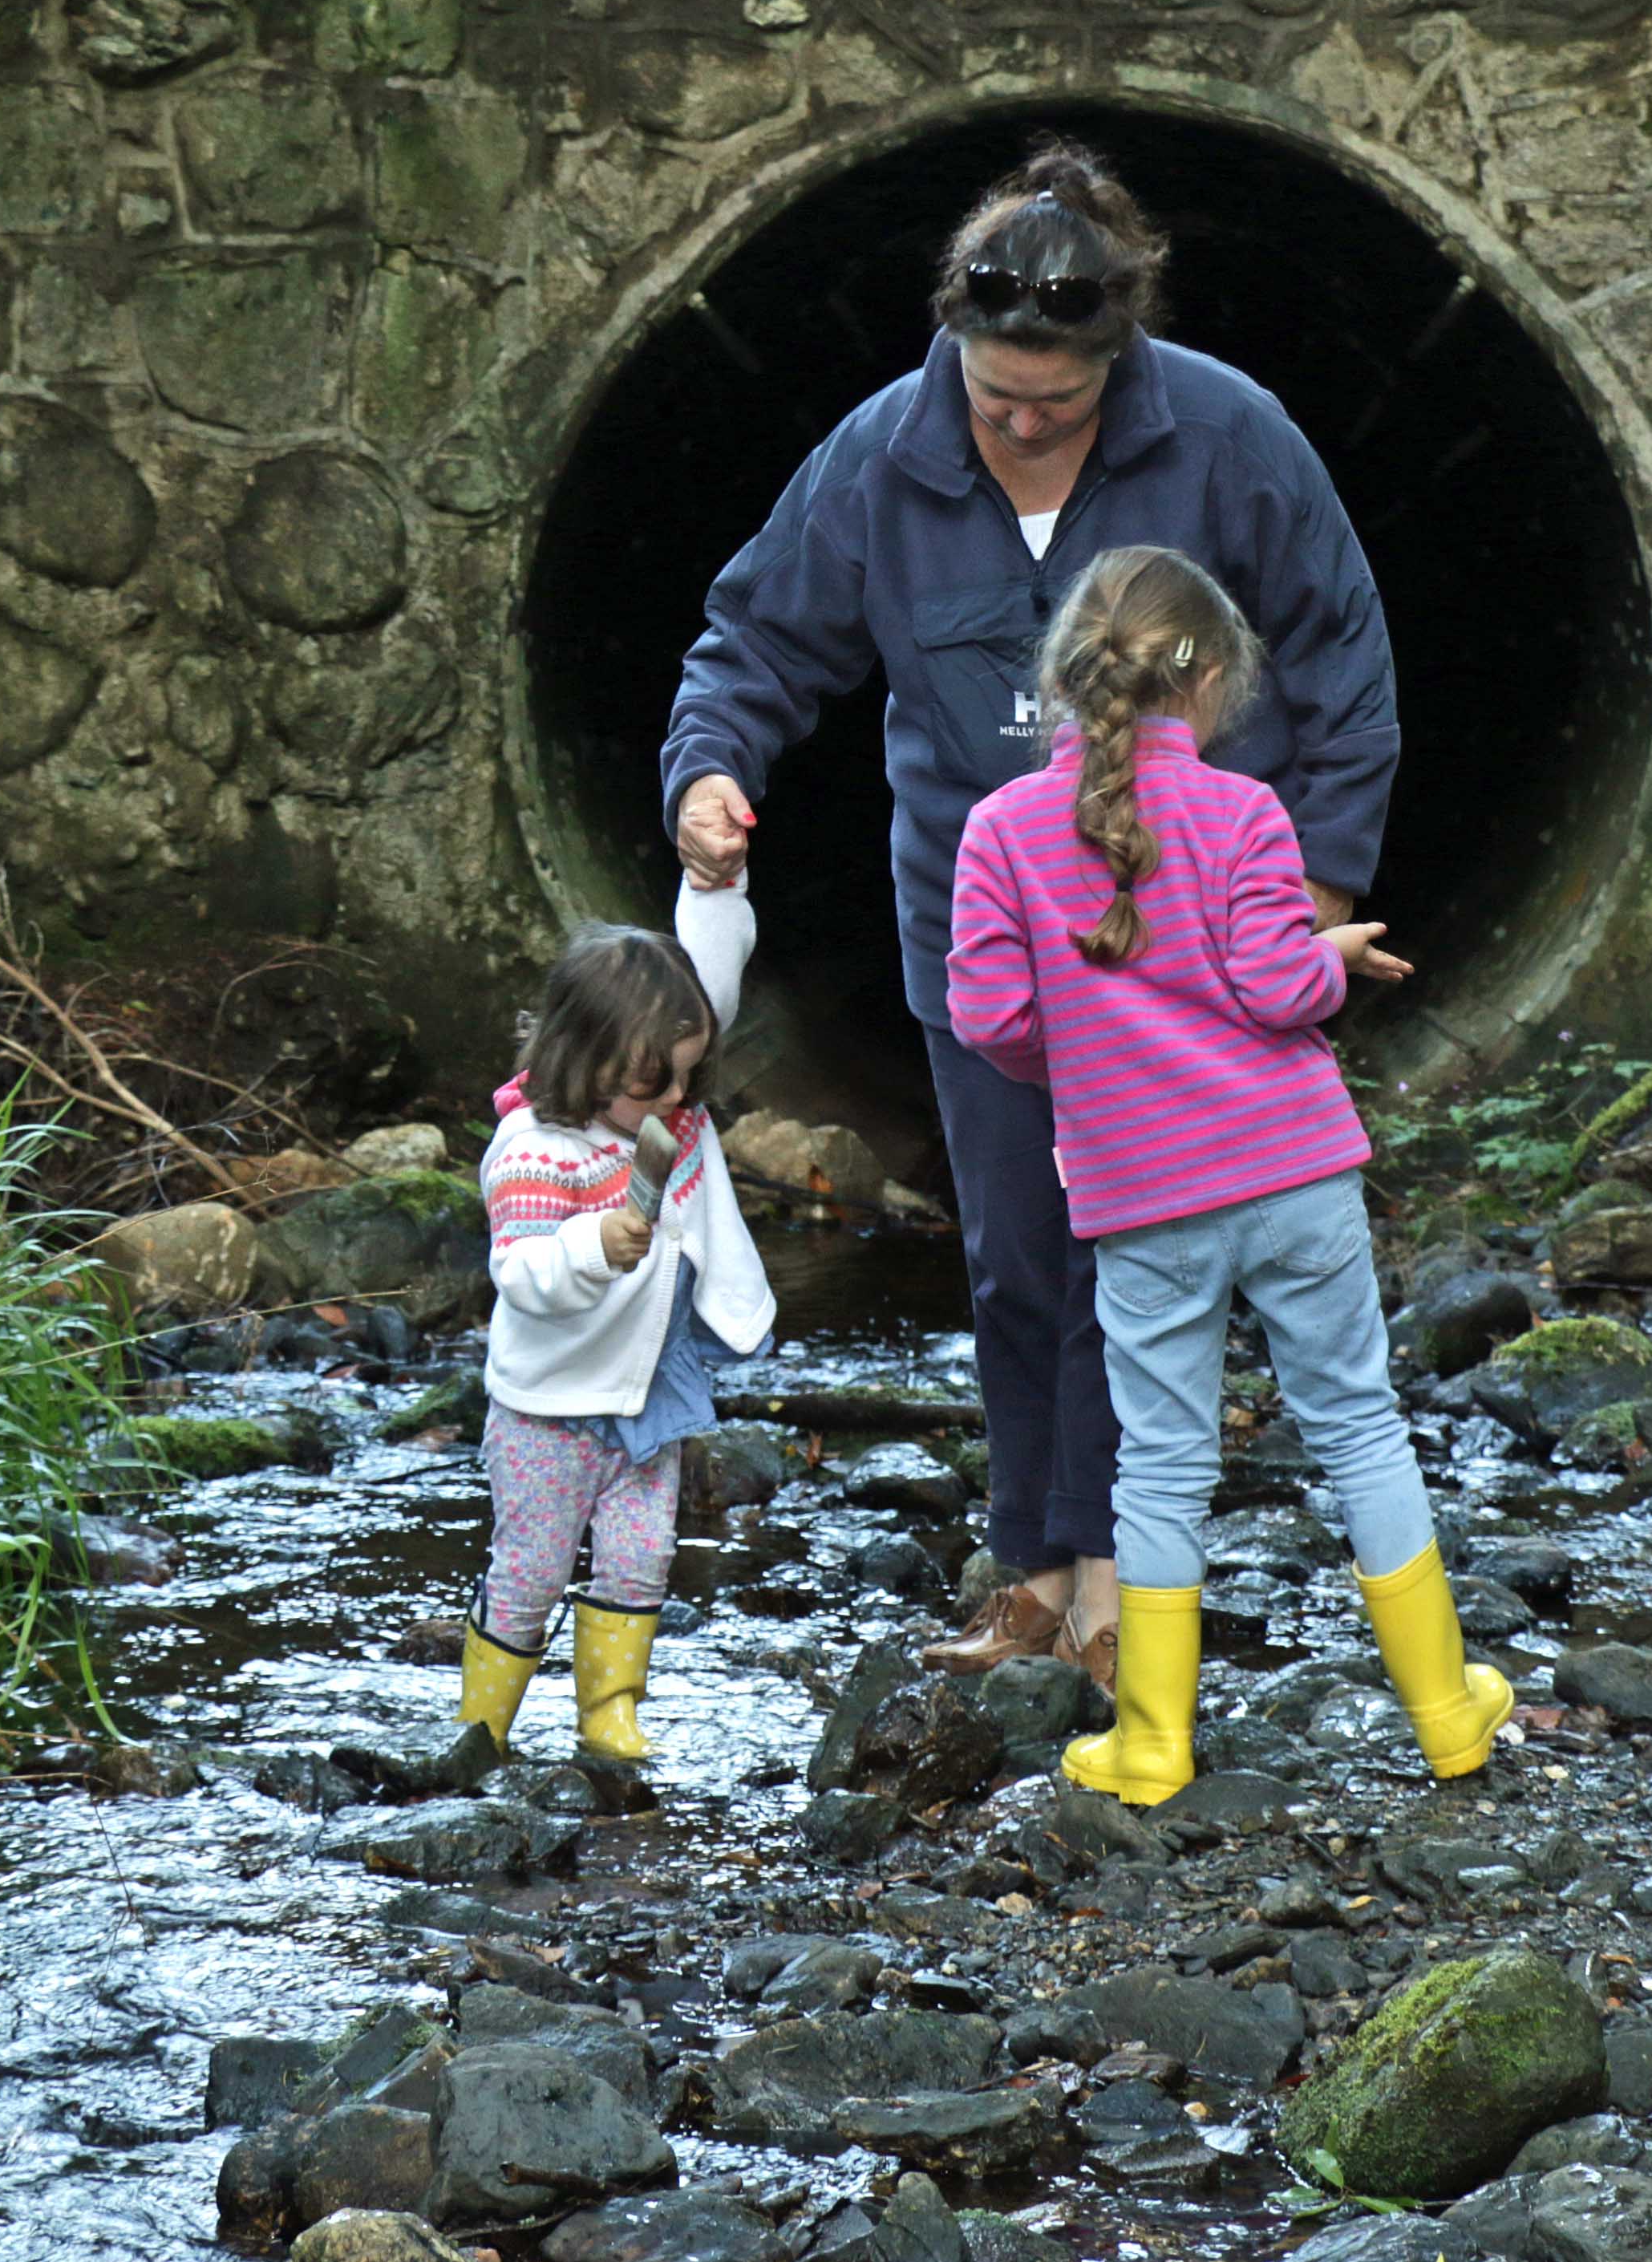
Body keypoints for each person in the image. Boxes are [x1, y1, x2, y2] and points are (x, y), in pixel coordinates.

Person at [662, 140, 1396, 1688]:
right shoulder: (880, 454)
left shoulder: (1227, 437)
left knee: (1148, 1258)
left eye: (1054, 403)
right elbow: (753, 634)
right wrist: (708, 773)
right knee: (1016, 1257)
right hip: (984, 931)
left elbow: (1340, 650)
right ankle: (1035, 1570)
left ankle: (1130, 1576)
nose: (1019, 422)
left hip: (1189, 949)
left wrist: (1313, 885)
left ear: (1113, 356)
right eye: (994, 396)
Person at [941, 547, 1504, 1805]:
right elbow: (1274, 986)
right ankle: (1449, 1714)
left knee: (1160, 1461)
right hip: (1294, 1168)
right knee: (1358, 1425)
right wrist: (1330, 955)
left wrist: (1083, 1060)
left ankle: (1150, 1741)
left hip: (1142, 1193)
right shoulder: (1247, 813)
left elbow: (986, 1019)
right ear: (1206, 682)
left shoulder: (999, 831)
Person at [463, 879, 775, 1762]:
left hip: (646, 1393)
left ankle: (609, 1715)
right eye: (657, 1080)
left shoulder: (667, 1114)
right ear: (589, 1059)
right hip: (549, 1410)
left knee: (642, 1561)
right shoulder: (535, 1151)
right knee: (531, 1572)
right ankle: (482, 1729)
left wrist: (719, 878)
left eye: (689, 1074)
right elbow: (522, 1275)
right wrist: (594, 1243)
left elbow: (713, 972)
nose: (681, 1098)